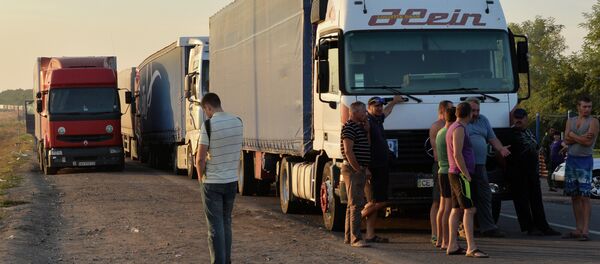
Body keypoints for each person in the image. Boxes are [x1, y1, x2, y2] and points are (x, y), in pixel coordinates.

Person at [195, 93, 244, 264]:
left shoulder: (208, 125)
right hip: (231, 181)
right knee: (226, 223)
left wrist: (201, 179)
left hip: (213, 183)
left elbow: (200, 159)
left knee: (215, 227)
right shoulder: (238, 122)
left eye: (205, 110)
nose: (206, 114)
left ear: (208, 107)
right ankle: (227, 260)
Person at [505, 108, 561, 236]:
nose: (518, 120)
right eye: (516, 117)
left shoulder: (529, 132)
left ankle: (543, 226)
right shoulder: (509, 133)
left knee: (536, 200)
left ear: (526, 119)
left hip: (532, 172)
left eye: (521, 117)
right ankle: (529, 227)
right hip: (517, 172)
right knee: (522, 201)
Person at [446, 102, 488, 258]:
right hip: (460, 174)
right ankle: (471, 247)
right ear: (469, 114)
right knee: (469, 209)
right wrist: (466, 174)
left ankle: (452, 245)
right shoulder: (459, 129)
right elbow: (457, 154)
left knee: (456, 209)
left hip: (456, 173)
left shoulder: (454, 127)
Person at [465, 97, 510, 238]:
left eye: (478, 110)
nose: (476, 113)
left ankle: (488, 227)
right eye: (473, 110)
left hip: (480, 165)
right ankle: (463, 228)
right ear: (466, 110)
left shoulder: (483, 120)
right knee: (466, 198)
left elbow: (492, 138)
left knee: (485, 195)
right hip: (465, 166)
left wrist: (501, 148)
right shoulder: (460, 122)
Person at [361, 95, 403, 243]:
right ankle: (354, 219)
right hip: (373, 167)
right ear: (368, 108)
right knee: (378, 202)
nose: (378, 108)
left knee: (374, 202)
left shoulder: (378, 119)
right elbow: (365, 147)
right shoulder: (367, 123)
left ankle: (370, 234)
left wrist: (394, 102)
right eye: (375, 106)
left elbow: (387, 111)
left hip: (382, 166)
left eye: (379, 105)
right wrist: (366, 168)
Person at [562, 95, 599, 241]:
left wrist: (572, 135)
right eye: (584, 106)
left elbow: (587, 143)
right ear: (578, 107)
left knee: (585, 196)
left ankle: (585, 230)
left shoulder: (594, 121)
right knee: (574, 195)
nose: (587, 109)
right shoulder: (570, 120)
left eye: (589, 106)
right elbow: (565, 139)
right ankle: (578, 228)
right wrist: (579, 137)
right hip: (571, 160)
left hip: (585, 161)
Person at [341, 101, 371, 247]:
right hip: (353, 170)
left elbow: (367, 145)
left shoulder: (359, 127)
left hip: (359, 169)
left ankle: (349, 237)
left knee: (352, 204)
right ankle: (356, 238)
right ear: (355, 112)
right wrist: (358, 168)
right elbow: (348, 150)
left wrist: (367, 130)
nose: (366, 114)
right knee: (356, 204)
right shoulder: (349, 127)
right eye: (363, 112)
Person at [429, 100, 454, 245]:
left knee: (450, 203)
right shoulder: (437, 127)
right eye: (451, 109)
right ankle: (435, 233)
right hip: (441, 166)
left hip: (447, 167)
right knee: (438, 202)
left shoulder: (449, 126)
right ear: (444, 110)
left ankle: (446, 234)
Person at [435, 107, 457, 250]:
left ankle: (439, 238)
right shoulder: (450, 132)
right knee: (448, 208)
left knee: (442, 208)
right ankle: (446, 241)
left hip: (441, 170)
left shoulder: (440, 131)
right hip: (447, 171)